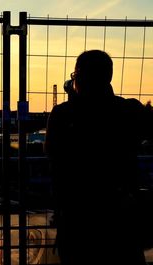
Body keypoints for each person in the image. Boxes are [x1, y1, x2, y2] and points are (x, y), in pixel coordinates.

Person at [45, 50, 151, 265]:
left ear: (79, 77)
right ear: (109, 77)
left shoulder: (62, 115)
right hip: (121, 217)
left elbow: (54, 158)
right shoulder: (129, 111)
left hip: (77, 218)